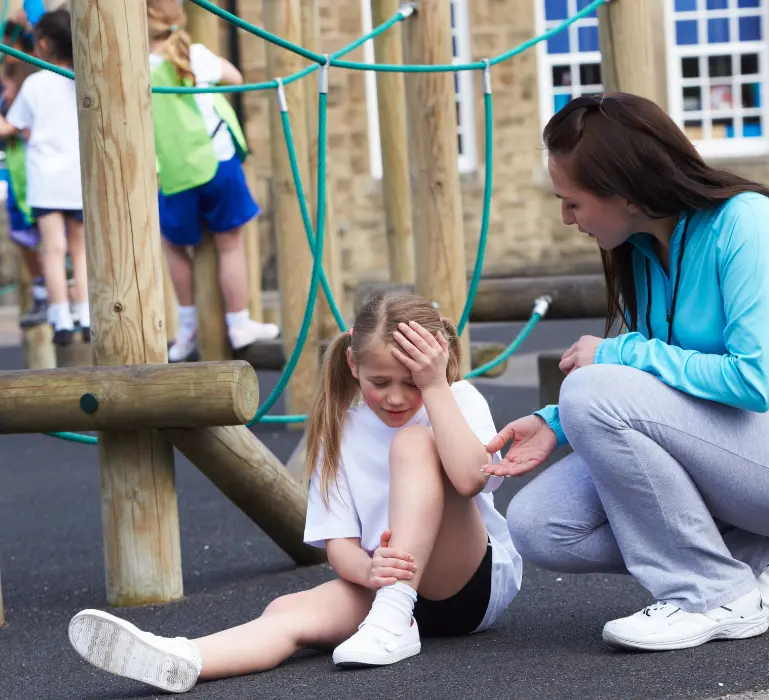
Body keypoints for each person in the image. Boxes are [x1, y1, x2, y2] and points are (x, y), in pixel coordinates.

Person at [483, 93, 769, 652]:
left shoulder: (746, 221)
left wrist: (617, 357)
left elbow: (751, 381)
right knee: (541, 526)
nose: (566, 219)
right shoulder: (639, 249)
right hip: (727, 447)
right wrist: (555, 422)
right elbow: (652, 384)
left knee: (593, 384)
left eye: (571, 203)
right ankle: (750, 554)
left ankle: (712, 591)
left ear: (623, 192)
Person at [66, 292, 522, 694]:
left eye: (412, 382)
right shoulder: (339, 430)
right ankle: (182, 657)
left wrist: (436, 386)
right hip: (382, 587)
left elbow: (469, 479)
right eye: (380, 383)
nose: (397, 398)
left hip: (462, 586)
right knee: (287, 611)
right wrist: (370, 569)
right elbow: (340, 547)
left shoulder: (456, 398)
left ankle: (396, 616)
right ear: (353, 365)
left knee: (414, 443)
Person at [147, 0, 278, 362]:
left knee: (174, 245)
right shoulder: (195, 54)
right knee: (229, 244)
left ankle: (187, 324)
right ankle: (238, 322)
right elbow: (235, 78)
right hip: (218, 160)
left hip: (176, 171)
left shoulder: (138, 67)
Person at [0, 9, 88, 345]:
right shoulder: (81, 79)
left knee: (53, 251)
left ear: (44, 45)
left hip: (46, 181)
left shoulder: (36, 84)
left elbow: (14, 125)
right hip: (76, 178)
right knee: (79, 251)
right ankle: (84, 311)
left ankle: (61, 317)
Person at [0, 28, 46, 328]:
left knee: (45, 238)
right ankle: (45, 290)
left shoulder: (31, 80)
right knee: (26, 237)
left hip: (34, 174)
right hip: (21, 172)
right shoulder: (15, 76)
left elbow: (12, 128)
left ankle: (52, 293)